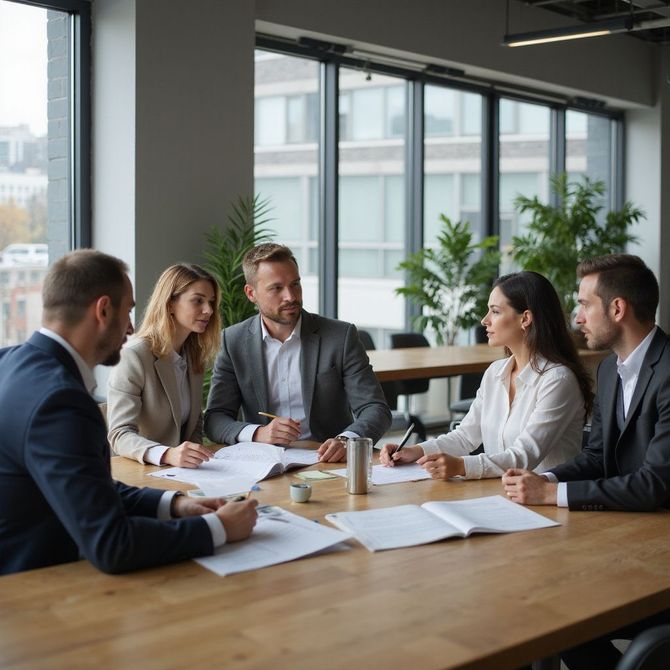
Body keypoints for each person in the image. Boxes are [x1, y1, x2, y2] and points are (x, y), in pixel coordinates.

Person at [0, 250, 257, 576]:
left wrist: (174, 504)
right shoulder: (61, 401)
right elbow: (112, 544)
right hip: (32, 589)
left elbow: (90, 487)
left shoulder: (9, 362)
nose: (132, 326)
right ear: (104, 310)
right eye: (129, 311)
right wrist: (216, 529)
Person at [502, 256, 670, 668]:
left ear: (617, 309)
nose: (576, 317)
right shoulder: (609, 370)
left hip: (661, 556)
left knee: (554, 612)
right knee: (538, 602)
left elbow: (655, 483)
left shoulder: (668, 371)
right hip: (629, 536)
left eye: (583, 304)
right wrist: (541, 477)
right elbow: (597, 454)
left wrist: (553, 493)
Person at [380, 271, 592, 480]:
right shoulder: (495, 372)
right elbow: (465, 436)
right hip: (500, 494)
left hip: (546, 503)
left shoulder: (557, 380)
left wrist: (462, 466)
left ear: (525, 318)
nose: (484, 320)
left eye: (495, 312)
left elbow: (523, 457)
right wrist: (415, 451)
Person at [204, 243, 391, 462]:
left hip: (328, 461)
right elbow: (215, 419)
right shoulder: (233, 341)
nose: (291, 296)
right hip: (265, 463)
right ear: (251, 293)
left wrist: (346, 440)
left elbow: (375, 408)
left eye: (295, 284)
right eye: (276, 288)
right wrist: (258, 433)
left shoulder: (340, 336)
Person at [107, 263, 220, 468]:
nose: (209, 310)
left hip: (181, 474)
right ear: (169, 304)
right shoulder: (134, 356)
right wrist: (168, 454)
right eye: (198, 301)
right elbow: (119, 434)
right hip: (142, 472)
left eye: (211, 302)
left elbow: (194, 424)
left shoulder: (194, 356)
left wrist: (196, 462)